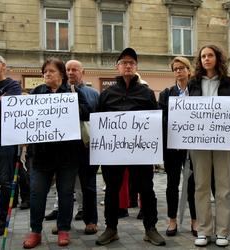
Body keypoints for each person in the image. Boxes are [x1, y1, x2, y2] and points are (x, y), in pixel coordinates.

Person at [96, 47, 165, 246]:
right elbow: (100, 122)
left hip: (141, 153)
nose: (128, 65)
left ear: (136, 67)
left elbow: (155, 122)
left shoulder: (146, 93)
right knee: (111, 190)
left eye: (131, 63)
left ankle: (150, 229)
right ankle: (111, 228)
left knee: (147, 189)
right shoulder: (107, 94)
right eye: (124, 62)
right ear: (117, 67)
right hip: (113, 154)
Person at [22, 58, 91, 248]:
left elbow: (88, 112)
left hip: (67, 156)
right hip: (41, 156)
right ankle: (35, 231)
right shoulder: (37, 92)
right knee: (37, 194)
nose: (47, 74)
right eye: (45, 71)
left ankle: (63, 230)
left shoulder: (73, 92)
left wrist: (72, 106)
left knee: (66, 194)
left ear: (61, 74)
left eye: (51, 71)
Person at [188, 45, 230, 247]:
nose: (206, 59)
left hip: (224, 141)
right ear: (200, 60)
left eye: (210, 55)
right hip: (199, 141)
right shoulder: (193, 83)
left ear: (217, 58)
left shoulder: (229, 83)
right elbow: (187, 111)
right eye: (203, 56)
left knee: (224, 187)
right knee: (201, 186)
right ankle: (204, 230)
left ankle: (223, 231)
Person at [158, 56, 197, 237]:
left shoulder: (198, 92)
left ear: (189, 70)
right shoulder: (166, 94)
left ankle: (195, 220)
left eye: (182, 68)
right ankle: (172, 220)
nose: (179, 71)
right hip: (173, 146)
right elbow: (161, 118)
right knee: (172, 184)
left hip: (194, 146)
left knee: (193, 184)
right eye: (175, 69)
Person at [65, 59, 99, 234]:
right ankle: (63, 223)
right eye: (68, 69)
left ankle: (91, 220)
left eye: (75, 69)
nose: (71, 72)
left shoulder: (93, 94)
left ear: (82, 72)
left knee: (89, 186)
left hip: (87, 147)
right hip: (65, 149)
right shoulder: (59, 91)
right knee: (65, 188)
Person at [0, 55, 22, 236]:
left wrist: (3, 104)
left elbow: (9, 108)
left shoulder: (12, 85)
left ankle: (1, 221)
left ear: (3, 66)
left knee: (5, 181)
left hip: (4, 140)